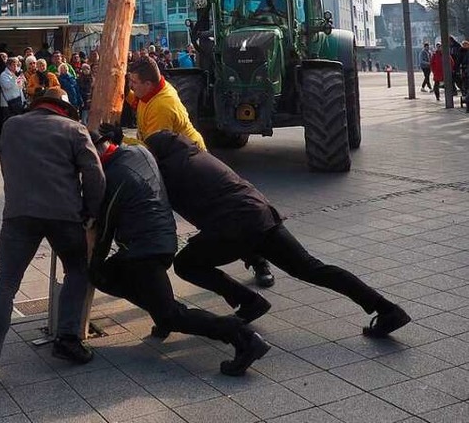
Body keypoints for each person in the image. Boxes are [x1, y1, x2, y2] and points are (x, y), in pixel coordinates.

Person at [146, 131, 411, 339]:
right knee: (312, 268)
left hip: (237, 227)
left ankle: (248, 301)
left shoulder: (170, 171)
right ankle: (387, 309)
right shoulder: (195, 156)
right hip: (261, 215)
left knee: (185, 264)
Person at [0, 86, 105, 398]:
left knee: (4, 287)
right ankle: (67, 338)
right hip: (65, 214)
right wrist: (90, 212)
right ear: (64, 109)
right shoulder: (74, 130)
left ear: (37, 105)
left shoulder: (12, 126)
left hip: (19, 214)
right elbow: (95, 176)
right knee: (77, 271)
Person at [89, 130, 270, 377]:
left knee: (170, 315)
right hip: (158, 238)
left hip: (145, 249)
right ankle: (160, 310)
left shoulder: (116, 176)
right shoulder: (136, 152)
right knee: (107, 275)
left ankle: (244, 339)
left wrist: (91, 260)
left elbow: (105, 227)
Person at [124, 57, 274, 288]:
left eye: (133, 82)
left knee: (218, 219)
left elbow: (151, 150)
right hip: (179, 165)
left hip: (189, 169)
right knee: (211, 220)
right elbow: (136, 102)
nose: (131, 86)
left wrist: (120, 140)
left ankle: (259, 260)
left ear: (149, 83)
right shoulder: (150, 94)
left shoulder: (162, 105)